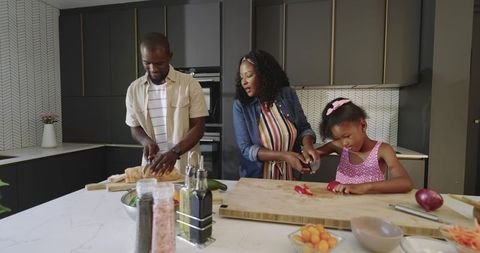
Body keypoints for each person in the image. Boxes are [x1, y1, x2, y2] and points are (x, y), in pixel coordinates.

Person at [125, 32, 208, 175]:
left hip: (184, 169)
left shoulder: (189, 84)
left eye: (159, 63)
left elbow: (198, 127)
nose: (153, 69)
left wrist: (175, 152)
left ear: (170, 57)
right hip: (152, 168)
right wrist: (146, 141)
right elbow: (134, 127)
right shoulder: (134, 89)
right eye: (147, 63)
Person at [233, 50, 319, 180]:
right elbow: (246, 149)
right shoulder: (241, 106)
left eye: (248, 75)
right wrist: (284, 156)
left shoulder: (287, 95)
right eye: (241, 77)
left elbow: (304, 128)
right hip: (258, 180)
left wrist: (308, 146)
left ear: (263, 75)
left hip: (290, 177)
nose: (244, 82)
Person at [316, 97, 413, 194]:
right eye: (337, 139)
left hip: (370, 207)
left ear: (363, 125)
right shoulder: (338, 146)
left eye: (347, 136)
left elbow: (406, 183)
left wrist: (363, 187)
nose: (344, 143)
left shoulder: (383, 150)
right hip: (341, 206)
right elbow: (313, 155)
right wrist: (306, 160)